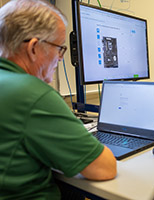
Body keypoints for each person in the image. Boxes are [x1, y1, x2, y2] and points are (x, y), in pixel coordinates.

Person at [0, 0, 116, 199]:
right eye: (59, 48)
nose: (60, 58)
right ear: (34, 47)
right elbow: (104, 168)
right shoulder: (32, 93)